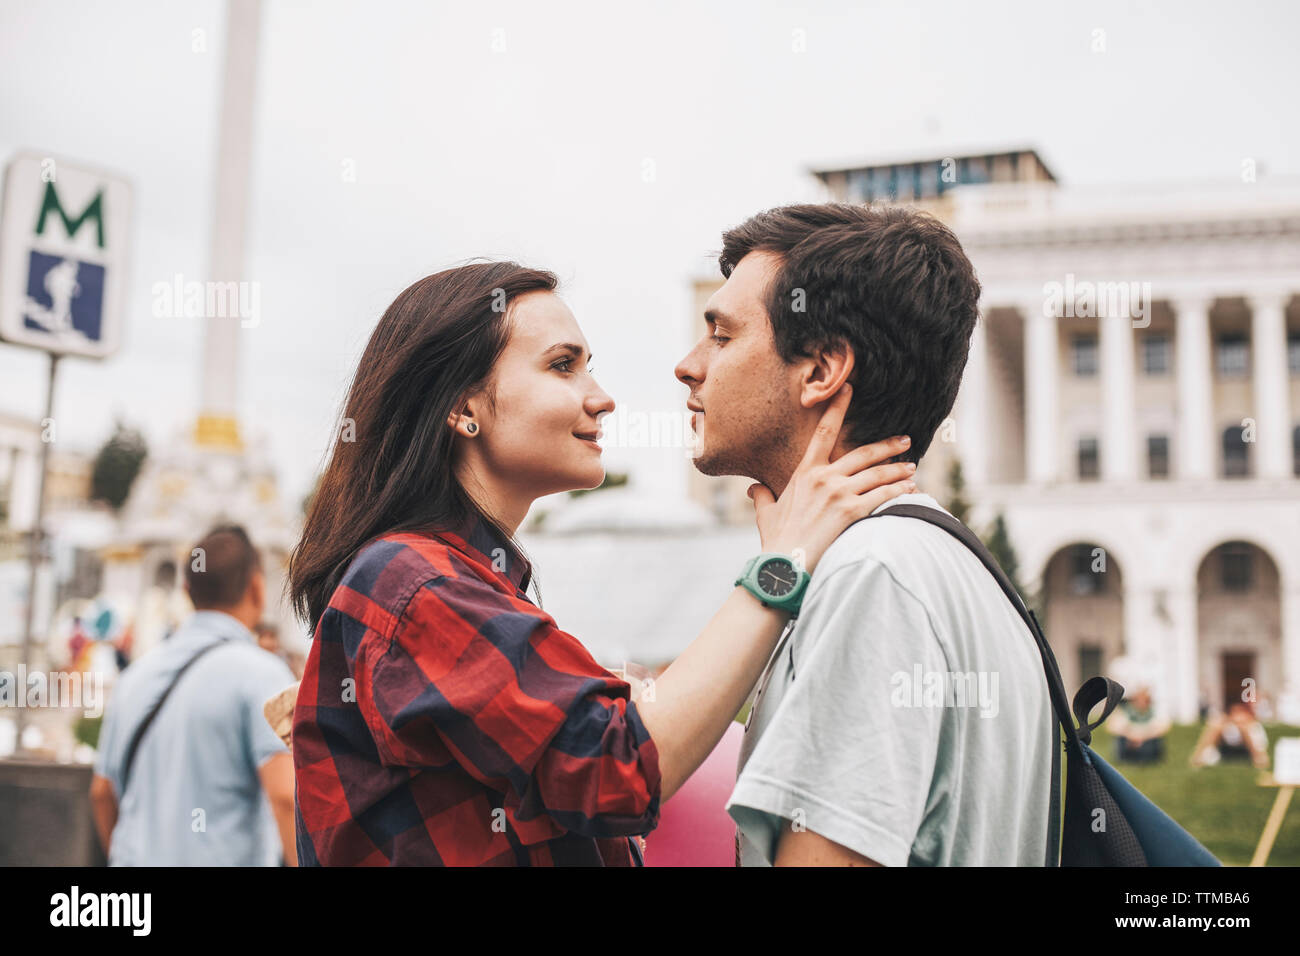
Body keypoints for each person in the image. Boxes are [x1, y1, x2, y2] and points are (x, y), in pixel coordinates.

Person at [287, 260, 916, 866]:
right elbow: (620, 767)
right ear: (462, 407)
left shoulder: (453, 583)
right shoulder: (411, 584)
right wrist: (781, 566)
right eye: (563, 367)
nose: (604, 399)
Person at [672, 203, 1056, 866]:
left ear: (820, 370)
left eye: (722, 336)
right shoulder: (939, 557)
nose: (689, 364)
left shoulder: (873, 575)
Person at [89, 525, 299, 866]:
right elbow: (285, 797)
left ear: (187, 590)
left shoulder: (134, 677)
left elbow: (101, 793)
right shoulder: (264, 674)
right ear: (257, 588)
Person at [1190, 700, 1270, 770]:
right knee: (1216, 728)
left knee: (1244, 729)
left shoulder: (1254, 727)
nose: (1237, 716)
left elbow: (1261, 751)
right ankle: (1197, 759)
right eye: (1235, 712)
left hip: (1247, 753)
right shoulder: (1226, 726)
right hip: (1227, 751)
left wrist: (1244, 730)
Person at [1110, 685, 1171, 764]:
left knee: (1154, 742)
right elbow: (1113, 727)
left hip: (1147, 739)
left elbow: (1163, 728)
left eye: (1144, 700)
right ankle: (1123, 760)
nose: (1141, 703)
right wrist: (1132, 737)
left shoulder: (1154, 713)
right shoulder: (1126, 712)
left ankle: (1149, 760)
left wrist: (1143, 738)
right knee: (1120, 740)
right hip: (1129, 740)